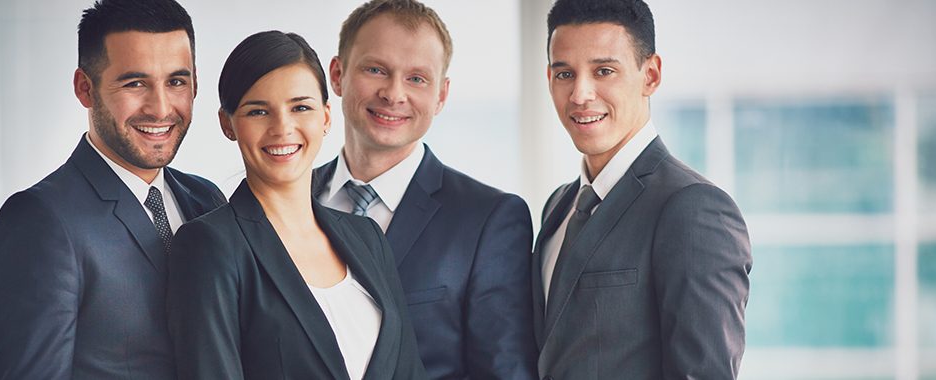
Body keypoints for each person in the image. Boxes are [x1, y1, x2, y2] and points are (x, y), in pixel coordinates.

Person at [0, 0, 225, 378]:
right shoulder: (40, 220)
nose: (161, 108)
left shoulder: (207, 200)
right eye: (135, 83)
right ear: (85, 89)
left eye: (176, 81)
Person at [166, 31, 427, 380]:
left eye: (300, 107)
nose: (282, 128)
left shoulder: (367, 238)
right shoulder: (209, 246)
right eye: (258, 111)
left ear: (326, 117)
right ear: (228, 124)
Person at [310, 0, 537, 378]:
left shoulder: (488, 220)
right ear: (337, 74)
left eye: (417, 78)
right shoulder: (288, 200)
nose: (394, 94)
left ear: (441, 95)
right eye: (376, 69)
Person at [534, 0, 754, 378]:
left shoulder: (693, 208)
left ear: (650, 75)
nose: (580, 94)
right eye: (564, 74)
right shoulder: (560, 204)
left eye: (604, 71)